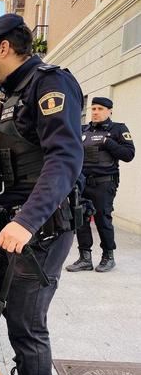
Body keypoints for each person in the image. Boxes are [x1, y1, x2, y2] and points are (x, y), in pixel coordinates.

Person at [0, 13, 84, 375]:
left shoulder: (49, 84)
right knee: (12, 311)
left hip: (44, 225)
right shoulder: (9, 94)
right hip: (17, 223)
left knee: (27, 317)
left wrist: (26, 221)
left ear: (4, 47)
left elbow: (64, 160)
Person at [66, 97, 135, 273]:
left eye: (100, 109)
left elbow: (128, 154)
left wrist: (107, 142)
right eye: (93, 108)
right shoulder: (83, 130)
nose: (95, 112)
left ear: (109, 111)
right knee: (80, 218)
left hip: (104, 183)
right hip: (82, 183)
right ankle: (85, 258)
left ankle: (108, 257)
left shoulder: (118, 129)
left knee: (103, 219)